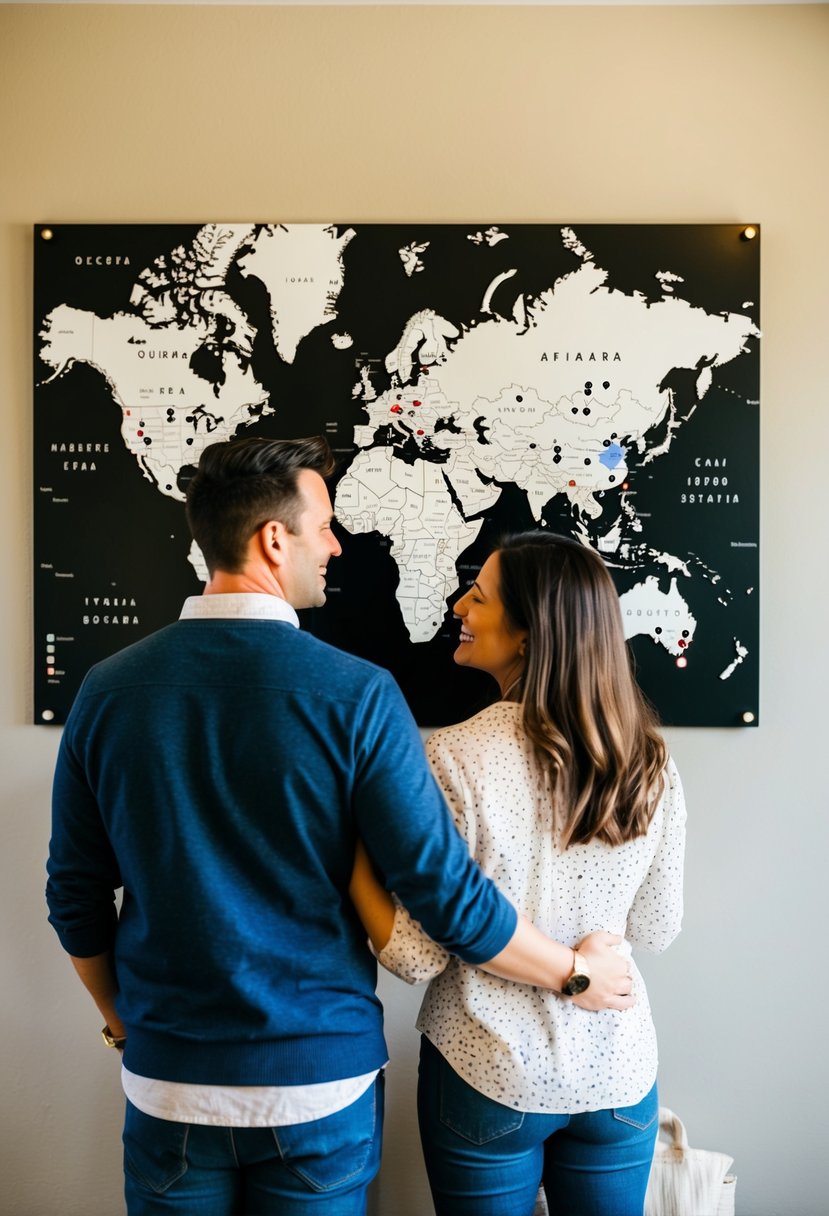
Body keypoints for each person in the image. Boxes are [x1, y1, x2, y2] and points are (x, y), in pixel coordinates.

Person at [46, 439, 634, 1216]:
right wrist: (571, 972)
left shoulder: (107, 690)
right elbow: (443, 891)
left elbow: (75, 895)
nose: (335, 544)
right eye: (323, 525)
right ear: (272, 539)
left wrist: (126, 1025)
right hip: (319, 1085)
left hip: (169, 1080)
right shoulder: (356, 694)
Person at [350, 531, 686, 1216]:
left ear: (529, 632)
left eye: (476, 595)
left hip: (487, 1072)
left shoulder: (450, 757)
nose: (457, 605)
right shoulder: (650, 760)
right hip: (617, 1076)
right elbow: (657, 926)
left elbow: (414, 956)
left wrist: (347, 851)